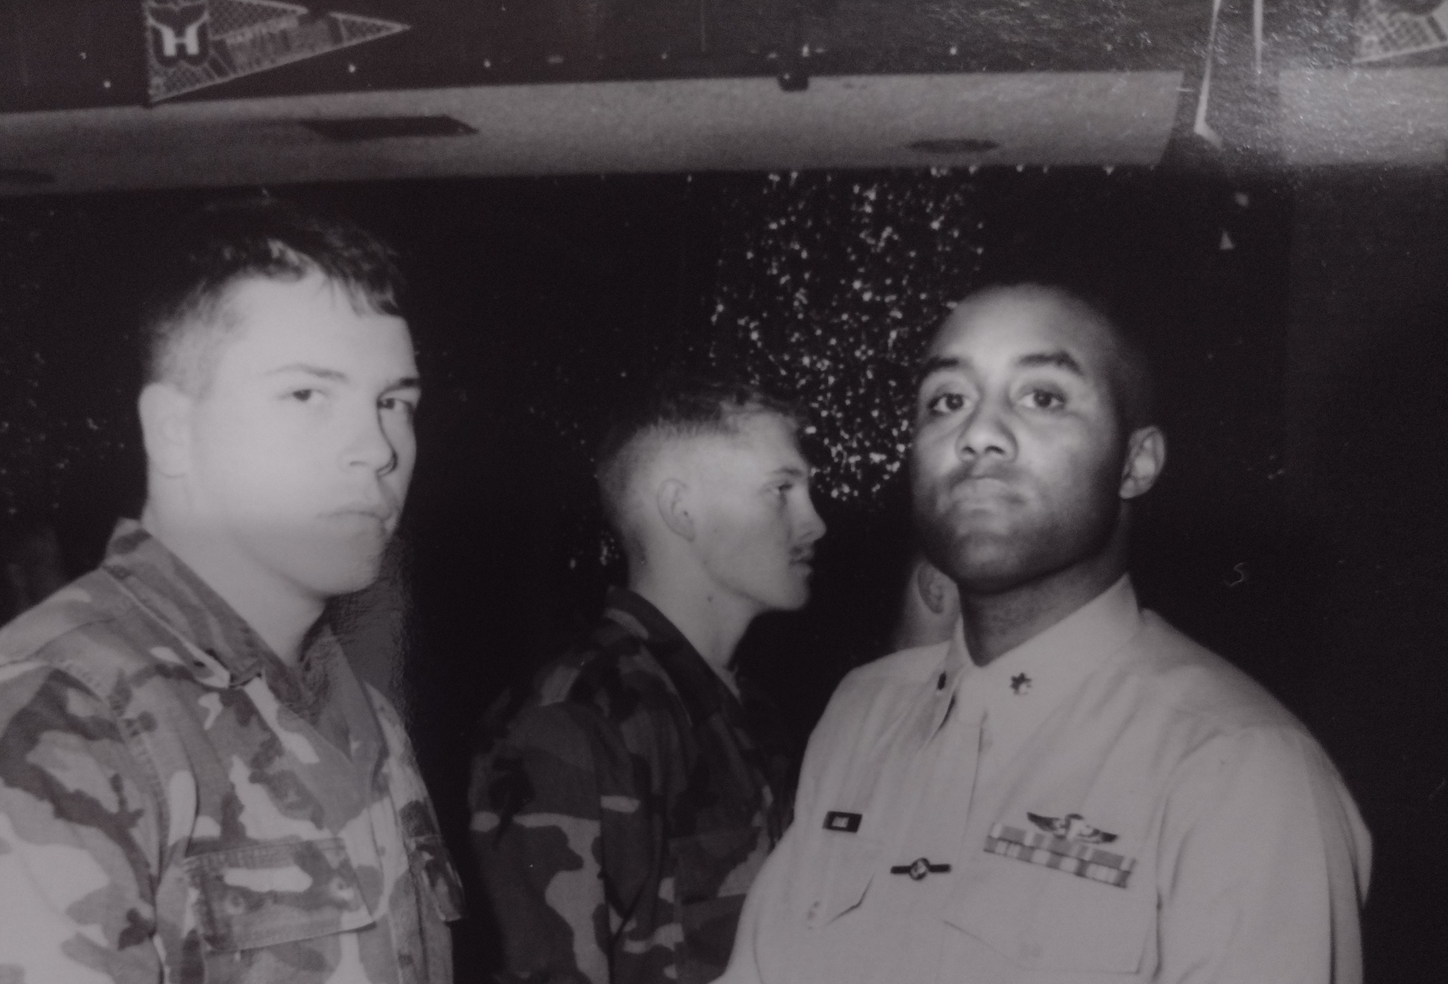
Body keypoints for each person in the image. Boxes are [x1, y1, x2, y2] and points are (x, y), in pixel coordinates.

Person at [0, 200, 462, 984]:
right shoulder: (43, 719)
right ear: (174, 433)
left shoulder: (358, 714)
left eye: (395, 403)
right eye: (306, 396)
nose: (376, 449)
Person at [717, 284, 1370, 984]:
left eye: (1043, 397)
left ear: (1136, 462)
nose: (978, 434)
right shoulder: (861, 713)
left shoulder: (1240, 769)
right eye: (947, 401)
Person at [470, 378, 826, 984]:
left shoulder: (752, 712)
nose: (814, 523)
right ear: (683, 511)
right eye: (781, 490)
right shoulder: (574, 720)